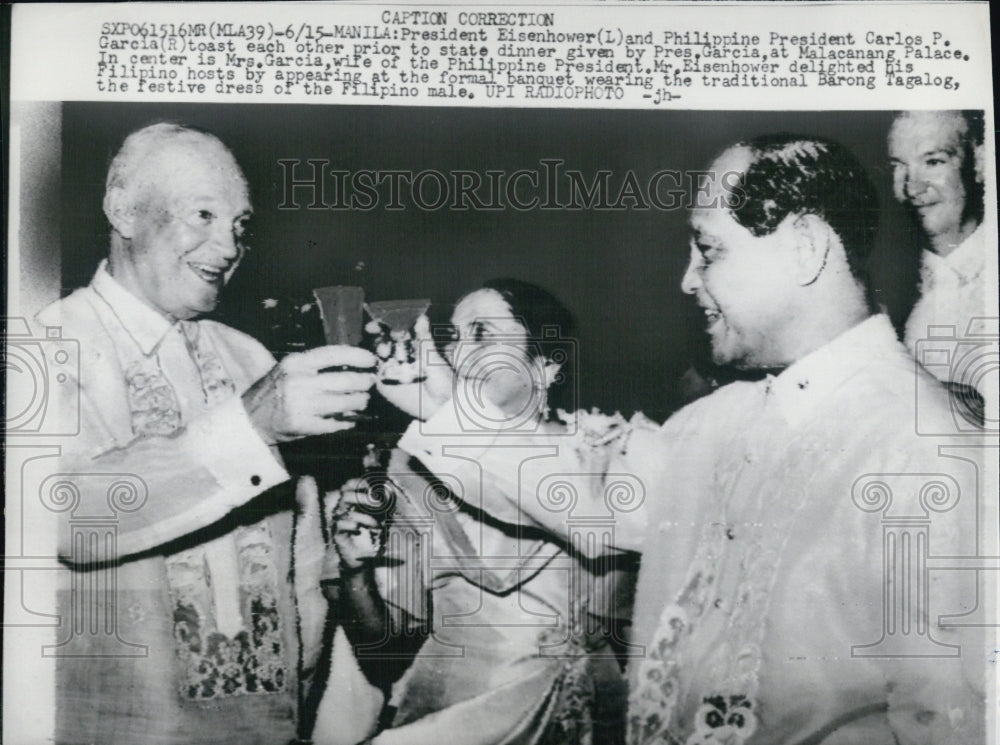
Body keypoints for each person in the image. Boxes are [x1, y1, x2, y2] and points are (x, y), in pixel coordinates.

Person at [395, 137, 986, 743]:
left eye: (708, 250)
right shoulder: (716, 421)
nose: (686, 280)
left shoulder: (931, 448)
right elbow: (586, 501)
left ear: (806, 248)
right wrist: (442, 402)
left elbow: (951, 719)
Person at [37, 122, 376, 745]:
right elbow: (63, 519)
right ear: (123, 209)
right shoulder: (43, 343)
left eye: (240, 226)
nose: (227, 247)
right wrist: (250, 425)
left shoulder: (246, 355)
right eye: (203, 215)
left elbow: (299, 555)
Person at [309, 279, 636, 745]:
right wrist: (355, 568)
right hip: (464, 716)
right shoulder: (415, 468)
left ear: (545, 365)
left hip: (596, 715)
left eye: (482, 334)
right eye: (455, 337)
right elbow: (385, 654)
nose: (457, 354)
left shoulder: (606, 452)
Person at [888, 110, 996, 413]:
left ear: (980, 164)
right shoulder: (884, 285)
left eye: (933, 162)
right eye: (898, 167)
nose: (912, 187)